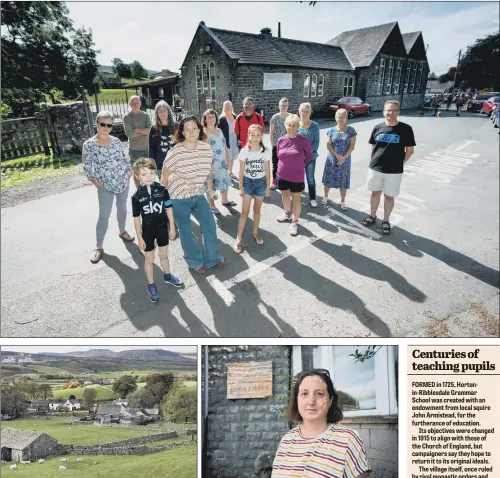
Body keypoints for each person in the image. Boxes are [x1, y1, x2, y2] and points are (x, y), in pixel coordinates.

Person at [272, 369, 370, 478]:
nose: (311, 401)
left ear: (330, 400)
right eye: (304, 393)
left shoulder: (348, 439)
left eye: (319, 394)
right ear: (297, 399)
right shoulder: (286, 440)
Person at [161, 116, 227, 273]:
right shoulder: (175, 151)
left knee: (209, 224)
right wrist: (162, 199)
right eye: (187, 129)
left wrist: (210, 191)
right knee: (185, 231)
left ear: (199, 129)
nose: (191, 132)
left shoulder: (205, 148)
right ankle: (195, 261)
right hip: (178, 197)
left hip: (198, 194)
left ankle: (213, 258)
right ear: (182, 132)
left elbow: (209, 172)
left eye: (194, 128)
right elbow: (165, 175)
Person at [83, 111, 135, 264]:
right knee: (104, 215)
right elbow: (87, 165)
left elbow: (125, 157)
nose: (106, 127)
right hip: (104, 185)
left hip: (122, 181)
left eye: (109, 125)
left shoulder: (117, 141)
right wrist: (93, 180)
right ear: (97, 124)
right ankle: (98, 246)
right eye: (102, 124)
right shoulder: (89, 144)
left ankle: (122, 231)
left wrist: (129, 170)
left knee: (122, 208)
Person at [131, 158, 183, 303]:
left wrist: (172, 227)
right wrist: (139, 238)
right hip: (147, 231)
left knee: (164, 255)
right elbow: (136, 218)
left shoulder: (162, 190)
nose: (148, 177)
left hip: (162, 229)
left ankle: (168, 276)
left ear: (155, 173)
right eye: (144, 174)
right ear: (137, 176)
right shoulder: (136, 197)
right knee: (149, 258)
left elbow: (169, 209)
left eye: (151, 173)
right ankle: (151, 285)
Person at [362, 100, 415, 234]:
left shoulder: (405, 129)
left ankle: (386, 220)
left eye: (392, 110)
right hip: (375, 167)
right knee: (375, 193)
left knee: (389, 196)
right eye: (387, 110)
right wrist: (375, 159)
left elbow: (410, 150)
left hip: (394, 170)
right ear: (383, 111)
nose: (389, 113)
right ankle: (372, 216)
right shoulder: (377, 127)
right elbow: (373, 145)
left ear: (398, 112)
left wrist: (400, 162)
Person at [234, 125, 271, 253]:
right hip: (248, 183)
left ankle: (255, 233)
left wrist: (267, 187)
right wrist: (240, 187)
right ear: (248, 136)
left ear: (262, 136)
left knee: (257, 210)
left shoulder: (265, 151)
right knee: (244, 212)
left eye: (258, 135)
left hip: (260, 183)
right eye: (253, 135)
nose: (255, 138)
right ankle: (238, 238)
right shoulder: (244, 151)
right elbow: (241, 170)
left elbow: (267, 170)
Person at [276, 114, 312, 236]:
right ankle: (287, 213)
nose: (291, 127)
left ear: (298, 126)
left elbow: (309, 157)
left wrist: (299, 166)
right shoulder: (281, 140)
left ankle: (295, 221)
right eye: (289, 125)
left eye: (294, 125)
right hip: (282, 175)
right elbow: (278, 155)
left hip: (296, 177)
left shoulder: (303, 140)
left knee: (296, 200)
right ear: (285, 125)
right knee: (285, 196)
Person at [321, 108, 357, 210]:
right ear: (336, 118)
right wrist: (337, 156)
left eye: (343, 117)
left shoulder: (351, 131)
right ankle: (325, 196)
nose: (340, 119)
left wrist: (343, 158)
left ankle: (342, 201)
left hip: (345, 160)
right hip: (332, 159)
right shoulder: (331, 130)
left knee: (343, 180)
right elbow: (329, 145)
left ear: (346, 118)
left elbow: (352, 147)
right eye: (339, 117)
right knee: (328, 178)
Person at [202, 109, 235, 214]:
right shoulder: (204, 133)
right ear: (205, 119)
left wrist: (226, 158)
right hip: (211, 164)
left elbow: (224, 145)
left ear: (216, 118)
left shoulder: (219, 130)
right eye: (208, 117)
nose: (211, 118)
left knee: (224, 180)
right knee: (211, 184)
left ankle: (225, 200)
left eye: (213, 116)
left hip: (222, 162)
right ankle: (212, 205)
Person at [123, 95, 152, 187]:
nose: (136, 105)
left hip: (147, 148)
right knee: (137, 172)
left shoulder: (146, 115)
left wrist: (137, 130)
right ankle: (139, 190)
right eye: (133, 103)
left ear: (140, 103)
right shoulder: (127, 117)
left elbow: (150, 131)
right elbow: (129, 134)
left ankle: (147, 189)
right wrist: (143, 131)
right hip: (134, 149)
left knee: (147, 171)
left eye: (137, 103)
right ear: (130, 104)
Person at [298, 102, 320, 207]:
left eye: (307, 111)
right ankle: (298, 192)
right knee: (298, 176)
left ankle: (312, 198)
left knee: (310, 177)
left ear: (310, 112)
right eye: (303, 111)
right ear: (300, 112)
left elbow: (316, 142)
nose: (305, 113)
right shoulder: (296, 124)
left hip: (311, 157)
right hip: (298, 157)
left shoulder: (315, 126)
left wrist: (307, 154)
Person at [148, 100, 176, 181]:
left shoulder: (176, 126)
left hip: (176, 165)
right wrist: (152, 166)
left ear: (168, 112)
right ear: (157, 114)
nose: (163, 113)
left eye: (164, 110)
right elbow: (151, 148)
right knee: (166, 190)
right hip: (161, 166)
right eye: (160, 111)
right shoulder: (154, 129)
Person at [269, 98, 290, 190]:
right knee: (276, 164)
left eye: (285, 105)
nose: (284, 107)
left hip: (288, 146)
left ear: (288, 106)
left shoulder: (291, 117)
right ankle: (274, 181)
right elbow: (271, 132)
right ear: (279, 106)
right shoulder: (275, 117)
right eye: (282, 105)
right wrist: (273, 144)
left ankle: (285, 181)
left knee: (287, 164)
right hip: (277, 145)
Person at [218, 100, 238, 178]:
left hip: (234, 138)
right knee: (227, 157)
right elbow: (218, 131)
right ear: (224, 107)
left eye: (229, 105)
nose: (228, 107)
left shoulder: (235, 116)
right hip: (226, 140)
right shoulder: (221, 118)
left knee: (232, 156)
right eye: (226, 105)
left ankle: (231, 172)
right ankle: (225, 173)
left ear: (231, 106)